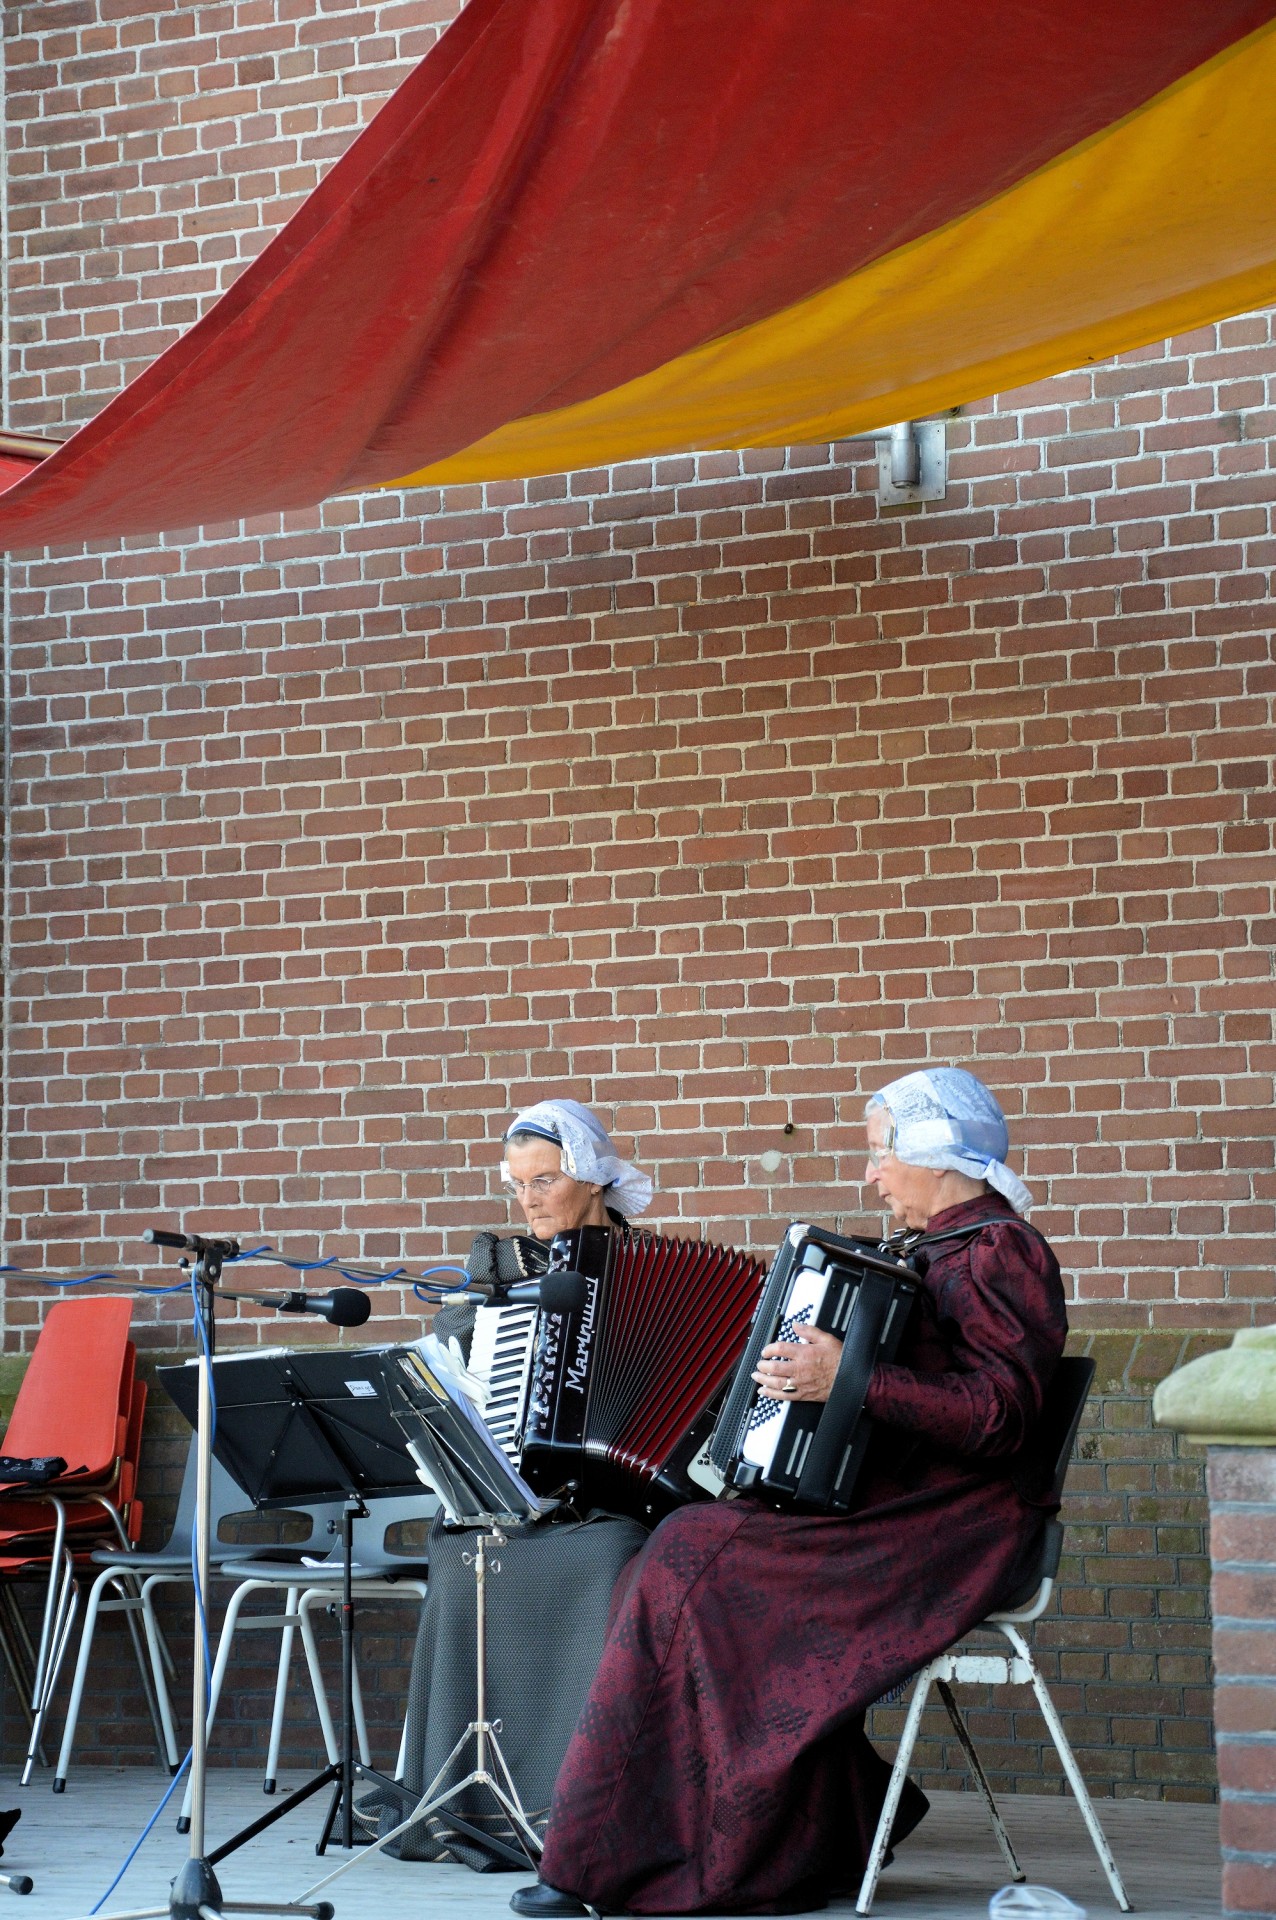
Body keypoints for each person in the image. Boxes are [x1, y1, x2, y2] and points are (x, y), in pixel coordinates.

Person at [513, 1066, 1068, 1917]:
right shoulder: (934, 1250)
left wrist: (851, 1378)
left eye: (882, 1154)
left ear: (936, 1153)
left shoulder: (1002, 1251)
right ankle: (772, 1832)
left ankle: (647, 1859)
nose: (872, 1174)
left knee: (690, 1553)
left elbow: (1001, 1417)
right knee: (688, 1546)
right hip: (897, 1510)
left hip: (956, 1529)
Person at [384, 1099, 653, 1870]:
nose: (529, 1199)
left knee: (609, 1559)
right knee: (458, 1558)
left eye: (545, 1180)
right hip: (520, 1503)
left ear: (592, 1178)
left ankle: (577, 1804)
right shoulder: (505, 1279)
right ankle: (467, 1800)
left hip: (614, 1505)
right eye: (518, 1184)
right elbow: (460, 1387)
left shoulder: (643, 1268)